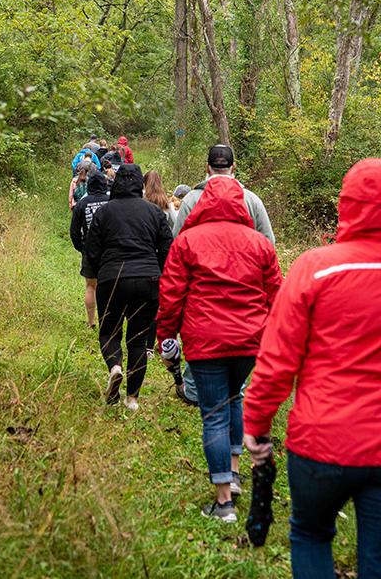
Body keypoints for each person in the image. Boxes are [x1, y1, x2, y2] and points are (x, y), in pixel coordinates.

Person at [243, 158, 381, 579]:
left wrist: (256, 424)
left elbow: (278, 357)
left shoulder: (315, 268)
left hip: (321, 441)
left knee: (309, 534)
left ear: (347, 205)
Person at [157, 175, 282, 522]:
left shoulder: (187, 243)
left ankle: (224, 502)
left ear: (205, 201)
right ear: (240, 204)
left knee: (213, 413)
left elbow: (170, 296)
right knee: (235, 397)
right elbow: (276, 294)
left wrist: (166, 337)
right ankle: (236, 470)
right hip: (248, 341)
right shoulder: (260, 244)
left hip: (204, 340)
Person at [174, 144, 276, 405]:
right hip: (244, 290)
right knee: (238, 341)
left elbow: (176, 244)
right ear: (233, 167)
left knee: (201, 336)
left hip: (200, 288)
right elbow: (269, 245)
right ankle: (232, 394)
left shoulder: (191, 200)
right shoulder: (252, 200)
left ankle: (197, 390)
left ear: (207, 167)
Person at [86, 164, 172, 411]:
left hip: (112, 279)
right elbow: (168, 248)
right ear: (139, 184)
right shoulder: (154, 213)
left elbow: (92, 250)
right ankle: (132, 399)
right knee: (138, 340)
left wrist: (95, 273)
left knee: (109, 332)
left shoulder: (104, 213)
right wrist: (160, 274)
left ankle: (114, 366)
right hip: (147, 280)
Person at [70, 172, 109, 328]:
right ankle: (107, 321)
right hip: (110, 250)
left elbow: (74, 231)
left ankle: (91, 322)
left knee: (91, 286)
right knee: (110, 287)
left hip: (90, 249)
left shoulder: (82, 204)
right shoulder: (111, 201)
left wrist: (82, 248)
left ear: (90, 185)